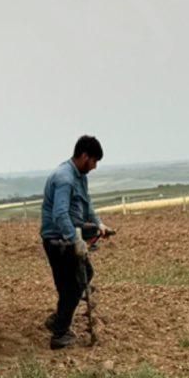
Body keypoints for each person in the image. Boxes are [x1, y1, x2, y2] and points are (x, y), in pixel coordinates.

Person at [40, 134, 110, 350]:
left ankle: (58, 319)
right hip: (58, 241)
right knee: (71, 287)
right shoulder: (64, 178)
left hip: (71, 236)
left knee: (83, 276)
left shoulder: (80, 177)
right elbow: (60, 215)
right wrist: (75, 241)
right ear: (84, 156)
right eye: (94, 161)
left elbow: (87, 207)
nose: (95, 166)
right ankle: (59, 334)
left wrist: (99, 224)